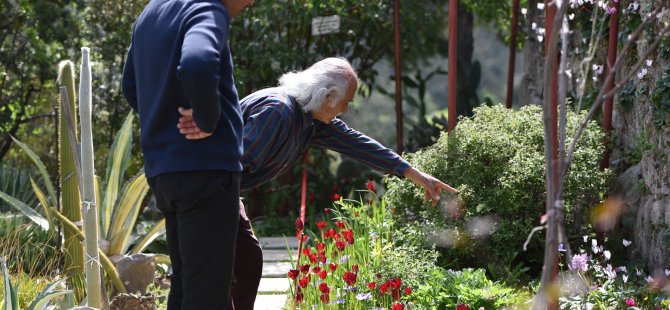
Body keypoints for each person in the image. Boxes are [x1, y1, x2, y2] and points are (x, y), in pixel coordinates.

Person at [176, 57, 458, 309]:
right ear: (328, 96)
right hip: (208, 191)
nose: (346, 109)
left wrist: (417, 176)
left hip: (222, 191)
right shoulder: (279, 112)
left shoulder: (308, 119)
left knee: (248, 262)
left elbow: (358, 144)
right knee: (219, 275)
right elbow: (229, 164)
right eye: (346, 101)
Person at [122, 0, 254, 309]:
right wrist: (208, 121)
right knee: (207, 293)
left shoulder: (151, 12)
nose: (251, 2)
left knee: (185, 284)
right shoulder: (207, 9)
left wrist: (166, 122)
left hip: (165, 173)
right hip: (206, 171)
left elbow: (130, 84)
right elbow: (197, 61)